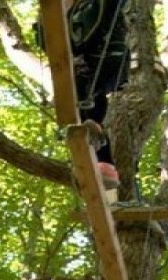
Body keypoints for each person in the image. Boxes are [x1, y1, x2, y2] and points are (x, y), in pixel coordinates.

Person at [37, 0, 130, 188]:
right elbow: (48, 44)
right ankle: (104, 165)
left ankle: (94, 136)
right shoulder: (56, 18)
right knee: (88, 99)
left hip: (107, 59)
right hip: (90, 70)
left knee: (84, 89)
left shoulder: (92, 5)